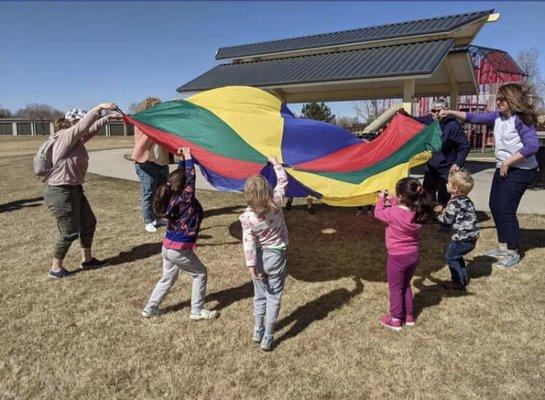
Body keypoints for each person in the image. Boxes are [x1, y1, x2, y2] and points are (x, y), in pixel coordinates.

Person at [439, 83, 539, 268]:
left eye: (502, 99)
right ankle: (503, 246)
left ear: (512, 100)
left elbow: (532, 146)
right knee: (495, 205)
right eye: (498, 99)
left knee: (506, 209)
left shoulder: (521, 120)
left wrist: (508, 162)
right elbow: (473, 117)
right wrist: (451, 112)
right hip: (504, 167)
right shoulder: (498, 117)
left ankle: (513, 251)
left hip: (521, 170)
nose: (498, 102)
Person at [44, 103, 120, 278]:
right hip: (61, 192)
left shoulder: (74, 139)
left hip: (74, 189)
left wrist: (107, 118)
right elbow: (85, 125)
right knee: (69, 232)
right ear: (73, 122)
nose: (84, 124)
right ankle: (56, 268)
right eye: (80, 120)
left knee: (88, 222)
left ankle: (87, 259)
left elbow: (90, 130)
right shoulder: (64, 137)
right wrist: (100, 108)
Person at [142, 147, 217, 320]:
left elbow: (183, 177)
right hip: (179, 250)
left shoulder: (172, 197)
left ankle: (150, 308)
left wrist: (183, 158)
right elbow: (190, 177)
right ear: (185, 187)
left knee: (167, 278)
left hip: (167, 247)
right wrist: (189, 157)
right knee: (200, 273)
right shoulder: (186, 200)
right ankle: (196, 310)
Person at [239, 157, 289, 351]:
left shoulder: (246, 217)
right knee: (274, 296)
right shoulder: (276, 201)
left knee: (259, 294)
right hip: (276, 256)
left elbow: (248, 242)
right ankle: (268, 335)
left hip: (259, 259)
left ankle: (257, 329)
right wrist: (276, 163)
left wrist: (251, 265)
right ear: (268, 190)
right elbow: (283, 180)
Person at [374, 178, 434, 331]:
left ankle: (395, 320)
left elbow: (378, 213)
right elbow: (402, 208)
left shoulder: (392, 213)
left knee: (395, 288)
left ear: (401, 197)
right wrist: (393, 200)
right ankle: (409, 316)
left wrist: (381, 200)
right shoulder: (417, 212)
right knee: (405, 285)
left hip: (397, 257)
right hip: (413, 255)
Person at [414, 99, 469, 206]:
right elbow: (415, 120)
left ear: (446, 111)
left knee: (444, 196)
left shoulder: (453, 126)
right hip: (431, 167)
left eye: (437, 111)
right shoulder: (430, 120)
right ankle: (430, 217)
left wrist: (457, 163)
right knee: (427, 195)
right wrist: (403, 115)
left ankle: (443, 218)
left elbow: (464, 146)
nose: (434, 114)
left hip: (447, 168)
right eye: (432, 111)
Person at [435, 169, 479, 290]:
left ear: (455, 189)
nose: (446, 184)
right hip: (472, 237)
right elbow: (458, 214)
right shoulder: (468, 201)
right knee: (457, 256)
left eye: (448, 183)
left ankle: (458, 282)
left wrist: (438, 214)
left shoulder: (453, 203)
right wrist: (445, 211)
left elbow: (447, 221)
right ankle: (463, 278)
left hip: (461, 238)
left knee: (451, 257)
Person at [131, 97, 170, 233]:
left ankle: (158, 217)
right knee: (149, 193)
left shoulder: (160, 124)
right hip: (146, 165)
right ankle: (148, 220)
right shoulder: (141, 123)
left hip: (162, 163)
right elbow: (148, 135)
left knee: (162, 193)